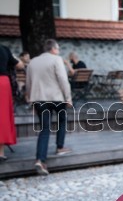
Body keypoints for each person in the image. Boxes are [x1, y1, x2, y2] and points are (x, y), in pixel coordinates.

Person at [26, 39, 73, 175]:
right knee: (62, 120)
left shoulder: (32, 62)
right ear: (53, 49)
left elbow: (29, 83)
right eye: (57, 49)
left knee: (44, 129)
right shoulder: (56, 59)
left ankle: (40, 160)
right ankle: (60, 146)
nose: (58, 51)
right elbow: (63, 80)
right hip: (56, 98)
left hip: (39, 99)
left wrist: (31, 100)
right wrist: (68, 97)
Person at [0, 45, 24, 161]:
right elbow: (20, 65)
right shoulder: (4, 48)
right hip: (3, 82)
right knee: (2, 116)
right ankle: (0, 152)